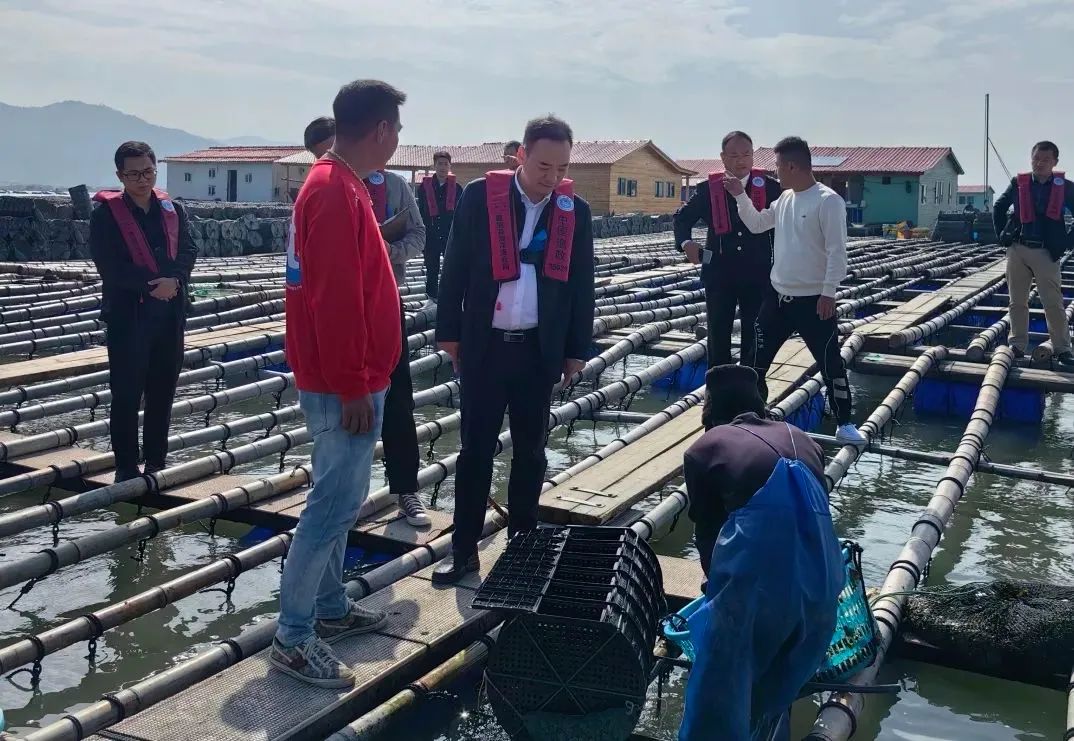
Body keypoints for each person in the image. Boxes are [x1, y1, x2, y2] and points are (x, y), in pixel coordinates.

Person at [274, 80, 405, 687]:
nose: (397, 139)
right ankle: (292, 636)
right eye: (396, 128)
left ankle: (328, 607)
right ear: (380, 129)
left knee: (341, 502)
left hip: (354, 374)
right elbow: (333, 299)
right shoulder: (332, 190)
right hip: (341, 382)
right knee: (330, 506)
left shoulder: (341, 182)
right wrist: (353, 383)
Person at [433, 115, 596, 583]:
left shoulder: (574, 211)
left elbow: (582, 285)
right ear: (521, 156)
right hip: (485, 346)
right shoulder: (480, 197)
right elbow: (454, 267)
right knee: (475, 452)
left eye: (561, 168)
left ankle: (522, 549)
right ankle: (463, 549)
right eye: (543, 166)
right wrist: (449, 333)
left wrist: (576, 350)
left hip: (537, 351)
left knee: (531, 452)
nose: (552, 177)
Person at [680, 364, 843, 741]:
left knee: (722, 697)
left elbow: (708, 532)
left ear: (710, 411)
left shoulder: (706, 447)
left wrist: (715, 591)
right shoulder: (803, 439)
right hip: (822, 582)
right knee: (777, 691)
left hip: (758, 588)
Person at [302, 115, 431, 526]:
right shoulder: (322, 189)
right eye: (322, 154)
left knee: (398, 402)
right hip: (338, 312)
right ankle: (342, 495)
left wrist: (387, 252)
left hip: (385, 307)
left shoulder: (392, 185)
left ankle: (405, 489)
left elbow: (418, 234)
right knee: (338, 412)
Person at [728, 136, 868, 445]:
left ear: (792, 166)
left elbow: (837, 251)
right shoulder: (784, 199)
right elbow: (756, 224)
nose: (775, 172)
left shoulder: (828, 200)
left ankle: (845, 423)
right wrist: (740, 196)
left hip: (814, 301)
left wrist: (829, 292)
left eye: (778, 166)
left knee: (830, 363)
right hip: (777, 297)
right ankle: (748, 416)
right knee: (754, 361)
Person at [90, 141, 198, 483]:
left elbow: (189, 250)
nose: (142, 179)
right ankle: (125, 467)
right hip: (128, 317)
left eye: (148, 172)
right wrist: (153, 285)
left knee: (162, 392)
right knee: (126, 393)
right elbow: (109, 266)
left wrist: (176, 280)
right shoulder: (105, 216)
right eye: (134, 174)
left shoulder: (172, 210)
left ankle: (156, 462)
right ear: (120, 175)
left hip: (169, 315)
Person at [674, 131, 781, 367]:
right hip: (719, 273)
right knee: (718, 335)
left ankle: (753, 384)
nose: (741, 160)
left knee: (755, 335)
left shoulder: (772, 188)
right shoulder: (708, 189)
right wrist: (686, 243)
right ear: (723, 158)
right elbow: (682, 219)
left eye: (746, 154)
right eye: (734, 155)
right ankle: (717, 386)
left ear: (753, 156)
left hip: (758, 273)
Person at [993, 140, 1074, 365]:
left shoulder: (1065, 187)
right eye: (1036, 159)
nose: (1039, 163)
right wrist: (1001, 235)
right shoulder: (1019, 183)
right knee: (1017, 301)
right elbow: (999, 207)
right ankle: (1017, 345)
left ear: (1055, 162)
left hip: (1046, 252)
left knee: (1053, 302)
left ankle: (1062, 349)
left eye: (1045, 160)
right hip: (1018, 249)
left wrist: (1067, 241)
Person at [418, 151, 464, 308]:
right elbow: (420, 211)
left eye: (446, 164)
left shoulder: (457, 188)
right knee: (432, 267)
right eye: (440, 164)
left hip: (449, 235)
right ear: (434, 166)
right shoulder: (424, 187)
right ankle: (431, 298)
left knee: (451, 267)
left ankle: (449, 298)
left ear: (450, 166)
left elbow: (460, 214)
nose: (443, 167)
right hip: (430, 234)